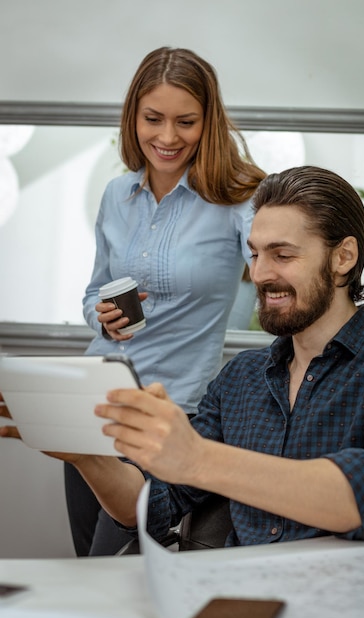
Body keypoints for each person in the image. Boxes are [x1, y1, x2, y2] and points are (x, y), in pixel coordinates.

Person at [2, 165, 364, 547]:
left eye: (283, 255)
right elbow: (150, 507)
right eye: (254, 253)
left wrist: (198, 459)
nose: (258, 274)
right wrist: (84, 454)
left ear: (343, 257)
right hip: (234, 602)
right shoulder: (241, 380)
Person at [63, 46, 266, 556]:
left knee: (117, 562)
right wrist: (102, 318)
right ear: (133, 117)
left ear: (209, 121)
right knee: (89, 570)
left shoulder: (236, 198)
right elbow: (93, 292)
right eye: (153, 119)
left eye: (186, 121)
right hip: (94, 404)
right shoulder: (116, 195)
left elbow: (277, 265)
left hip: (168, 414)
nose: (168, 137)